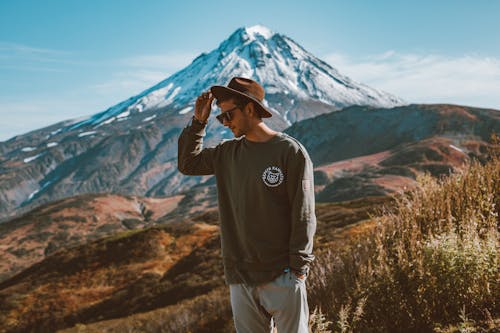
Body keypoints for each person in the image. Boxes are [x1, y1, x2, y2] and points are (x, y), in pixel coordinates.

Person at [178, 77, 316, 333]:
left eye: (228, 115)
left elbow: (304, 213)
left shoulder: (290, 152)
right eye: (220, 118)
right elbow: (188, 163)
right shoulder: (226, 154)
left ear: (250, 109)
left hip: (282, 275)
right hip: (240, 278)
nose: (225, 123)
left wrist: (298, 270)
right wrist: (199, 122)